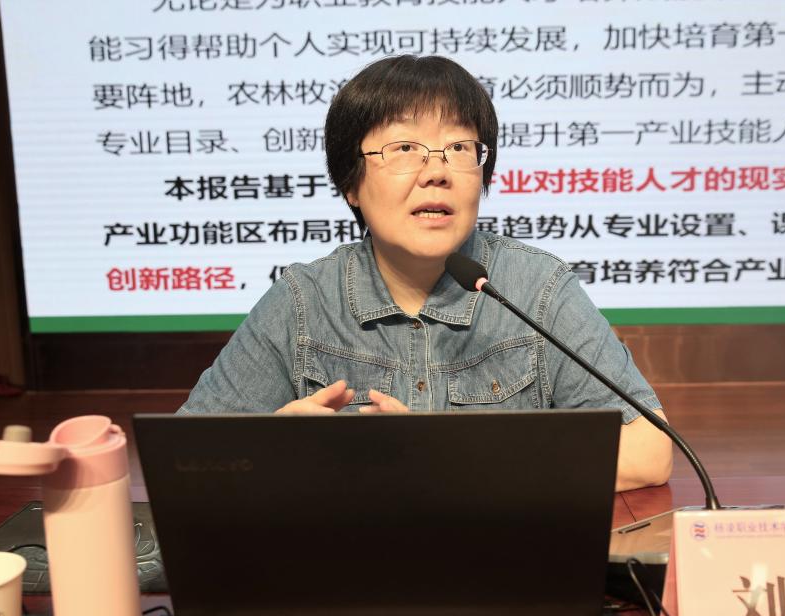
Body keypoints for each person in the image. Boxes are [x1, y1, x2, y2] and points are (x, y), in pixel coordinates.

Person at [179, 55, 672, 491]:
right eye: (403, 148)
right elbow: (186, 463)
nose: (437, 171)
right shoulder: (303, 301)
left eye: (459, 148)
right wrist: (269, 452)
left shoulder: (535, 288)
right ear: (351, 184)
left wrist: (447, 460)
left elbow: (649, 450)